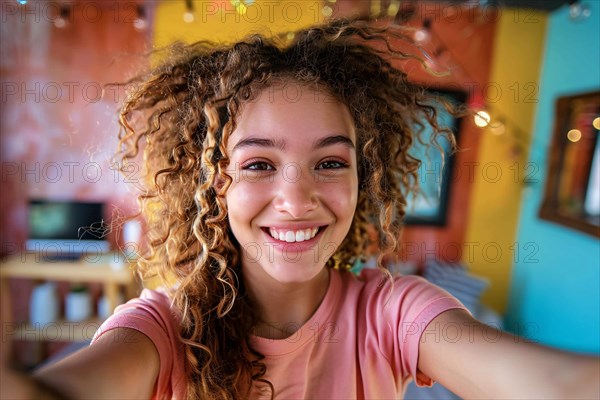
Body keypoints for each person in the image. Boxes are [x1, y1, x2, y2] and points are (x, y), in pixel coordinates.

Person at [2, 18, 599, 400]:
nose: (296, 200)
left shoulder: (392, 314)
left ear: (363, 179)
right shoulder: (161, 330)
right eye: (260, 164)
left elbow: (555, 385)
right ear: (216, 185)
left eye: (331, 163)